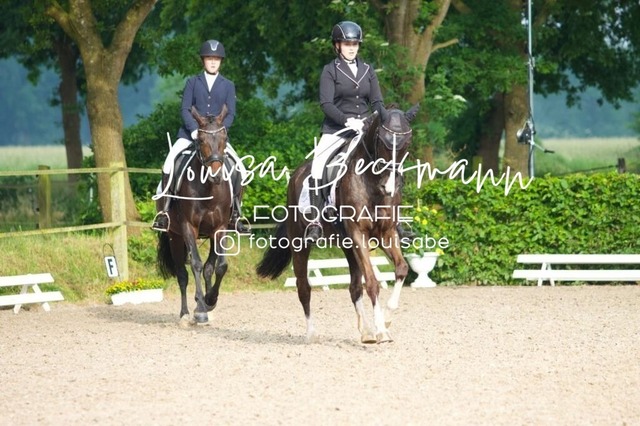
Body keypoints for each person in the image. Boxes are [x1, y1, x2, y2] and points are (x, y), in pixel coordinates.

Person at [306, 21, 415, 244]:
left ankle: (397, 220)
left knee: (391, 162)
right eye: (347, 44)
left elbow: (377, 101)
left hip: (365, 128)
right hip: (337, 129)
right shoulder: (330, 70)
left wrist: (378, 119)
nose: (352, 48)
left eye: (355, 44)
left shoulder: (367, 70)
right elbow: (326, 104)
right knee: (318, 165)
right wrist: (347, 120)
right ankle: (316, 221)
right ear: (337, 45)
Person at [151, 39, 249, 234]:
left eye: (216, 59)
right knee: (169, 164)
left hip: (216, 140)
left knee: (241, 169)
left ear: (220, 61)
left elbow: (231, 113)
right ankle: (165, 212)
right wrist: (194, 130)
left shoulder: (228, 85)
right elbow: (185, 109)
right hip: (191, 135)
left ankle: (236, 214)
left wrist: (220, 132)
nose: (213, 62)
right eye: (209, 58)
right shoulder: (193, 82)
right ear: (203, 60)